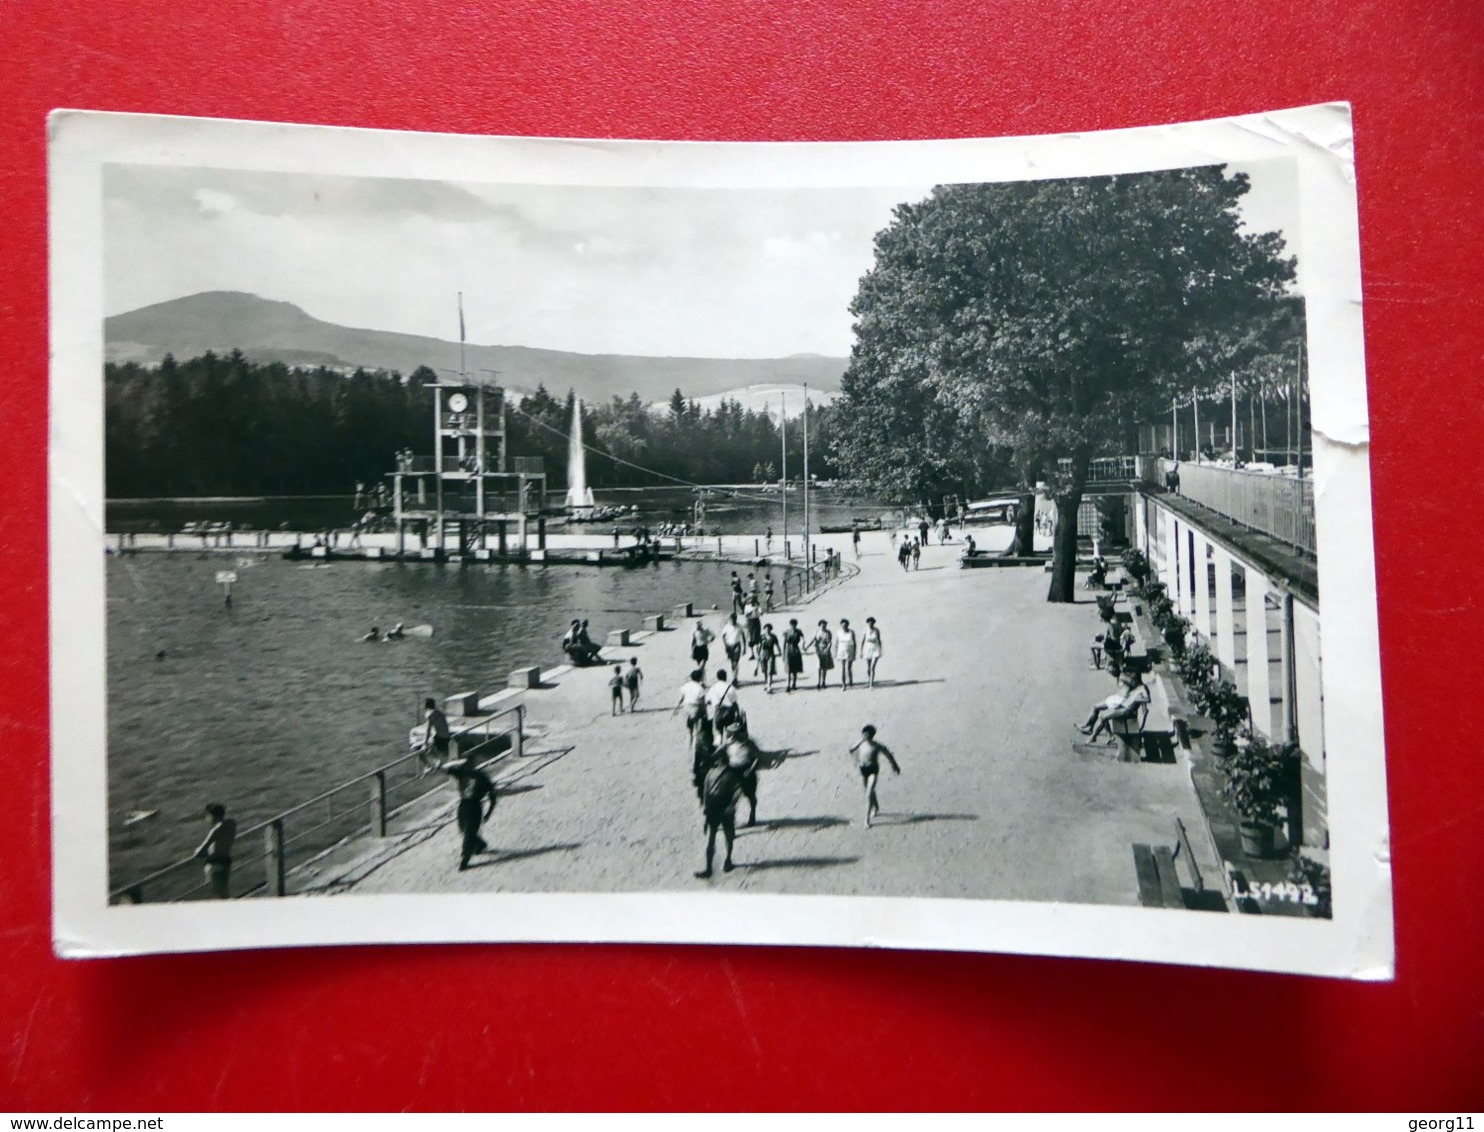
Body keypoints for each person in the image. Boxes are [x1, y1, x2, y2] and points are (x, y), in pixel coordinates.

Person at [443, 751, 496, 871]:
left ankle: (465, 859)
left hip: (475, 805)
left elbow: (492, 796)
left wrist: (488, 813)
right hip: (463, 804)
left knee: (469, 833)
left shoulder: (482, 777)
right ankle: (480, 844)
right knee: (463, 829)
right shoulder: (462, 772)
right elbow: (446, 769)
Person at [695, 752, 743, 879]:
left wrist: (706, 807)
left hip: (714, 805)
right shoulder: (731, 773)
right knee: (727, 835)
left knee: (712, 837)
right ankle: (727, 861)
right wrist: (731, 805)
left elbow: (706, 791)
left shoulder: (711, 773)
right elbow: (738, 791)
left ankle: (709, 867)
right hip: (724, 804)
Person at [849, 725, 901, 828]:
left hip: (873, 770)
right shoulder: (860, 744)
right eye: (865, 734)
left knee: (868, 794)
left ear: (872, 735)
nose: (866, 736)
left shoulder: (876, 746)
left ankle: (866, 821)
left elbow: (888, 754)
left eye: (868, 735)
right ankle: (876, 807)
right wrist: (860, 742)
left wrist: (895, 766)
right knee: (869, 792)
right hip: (863, 770)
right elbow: (850, 750)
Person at [1078, 671, 1150, 741]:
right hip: (1122, 707)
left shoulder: (1143, 688)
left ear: (1137, 679)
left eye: (1133, 680)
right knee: (1102, 714)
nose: (1131, 682)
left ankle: (1093, 737)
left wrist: (1137, 699)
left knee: (1103, 716)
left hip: (1127, 711)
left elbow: (1148, 699)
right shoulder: (1135, 687)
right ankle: (1108, 736)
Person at [719, 720, 760, 827]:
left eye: (734, 733)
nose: (732, 736)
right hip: (732, 771)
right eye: (731, 733)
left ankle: (752, 814)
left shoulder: (749, 744)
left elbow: (757, 757)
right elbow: (719, 755)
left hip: (746, 771)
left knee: (750, 795)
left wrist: (750, 770)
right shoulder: (727, 745)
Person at [193, 803, 237, 898]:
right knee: (224, 890)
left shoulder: (216, 830)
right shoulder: (231, 824)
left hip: (215, 864)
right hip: (226, 862)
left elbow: (200, 851)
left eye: (207, 816)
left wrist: (197, 851)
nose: (206, 819)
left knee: (219, 895)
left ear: (212, 816)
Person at [672, 668, 710, 755]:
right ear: (699, 678)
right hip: (696, 709)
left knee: (689, 731)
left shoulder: (685, 686)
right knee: (696, 730)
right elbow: (702, 703)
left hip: (686, 709)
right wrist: (705, 713)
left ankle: (687, 750)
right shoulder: (700, 688)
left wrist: (676, 708)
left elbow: (680, 699)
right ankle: (694, 751)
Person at [416, 697, 451, 775]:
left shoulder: (429, 714)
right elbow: (439, 724)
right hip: (446, 736)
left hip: (440, 738)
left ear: (426, 705)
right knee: (431, 749)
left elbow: (428, 729)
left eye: (423, 704)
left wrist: (425, 742)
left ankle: (427, 766)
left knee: (418, 748)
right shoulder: (438, 712)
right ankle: (438, 762)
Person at [706, 668, 740, 734]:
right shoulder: (730, 687)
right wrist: (737, 714)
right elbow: (735, 703)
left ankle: (720, 741)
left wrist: (714, 702)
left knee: (719, 733)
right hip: (729, 712)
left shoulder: (713, 688)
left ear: (717, 677)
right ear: (725, 677)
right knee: (729, 732)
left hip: (718, 712)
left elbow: (708, 701)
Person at [808, 619, 835, 689]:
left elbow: (830, 642)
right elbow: (813, 640)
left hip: (825, 650)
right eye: (822, 625)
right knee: (819, 667)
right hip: (818, 650)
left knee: (824, 667)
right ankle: (818, 682)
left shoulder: (828, 633)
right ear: (819, 625)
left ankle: (823, 682)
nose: (823, 627)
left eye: (825, 625)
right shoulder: (817, 632)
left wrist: (827, 649)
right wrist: (807, 647)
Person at [756, 622, 780, 692]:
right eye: (766, 629)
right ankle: (767, 683)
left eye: (769, 629)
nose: (767, 630)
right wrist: (758, 655)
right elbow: (759, 646)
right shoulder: (762, 637)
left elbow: (777, 645)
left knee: (770, 671)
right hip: (763, 655)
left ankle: (769, 686)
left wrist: (780, 653)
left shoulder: (773, 637)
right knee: (765, 670)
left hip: (771, 654)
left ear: (770, 629)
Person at [783, 619, 805, 693]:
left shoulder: (798, 631)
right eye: (792, 624)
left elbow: (803, 638)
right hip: (788, 650)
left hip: (796, 650)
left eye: (794, 624)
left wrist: (804, 644)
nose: (793, 626)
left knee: (795, 669)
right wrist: (783, 654)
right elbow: (784, 643)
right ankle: (788, 685)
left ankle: (794, 684)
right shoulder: (787, 632)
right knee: (789, 669)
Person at [861, 616, 883, 688]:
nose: (870, 624)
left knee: (872, 667)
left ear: (874, 623)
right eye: (869, 623)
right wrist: (861, 651)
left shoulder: (877, 630)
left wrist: (880, 649)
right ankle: (869, 680)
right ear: (867, 623)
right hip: (867, 650)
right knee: (868, 668)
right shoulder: (865, 630)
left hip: (875, 649)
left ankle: (871, 684)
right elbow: (863, 641)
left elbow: (879, 640)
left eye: (872, 623)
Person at [838, 618, 858, 690]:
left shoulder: (851, 632)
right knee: (843, 668)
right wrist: (835, 652)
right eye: (842, 625)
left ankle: (850, 680)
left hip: (850, 651)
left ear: (847, 625)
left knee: (849, 668)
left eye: (845, 625)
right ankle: (843, 684)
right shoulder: (839, 632)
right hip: (841, 651)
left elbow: (854, 643)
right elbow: (837, 643)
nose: (844, 627)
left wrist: (855, 652)